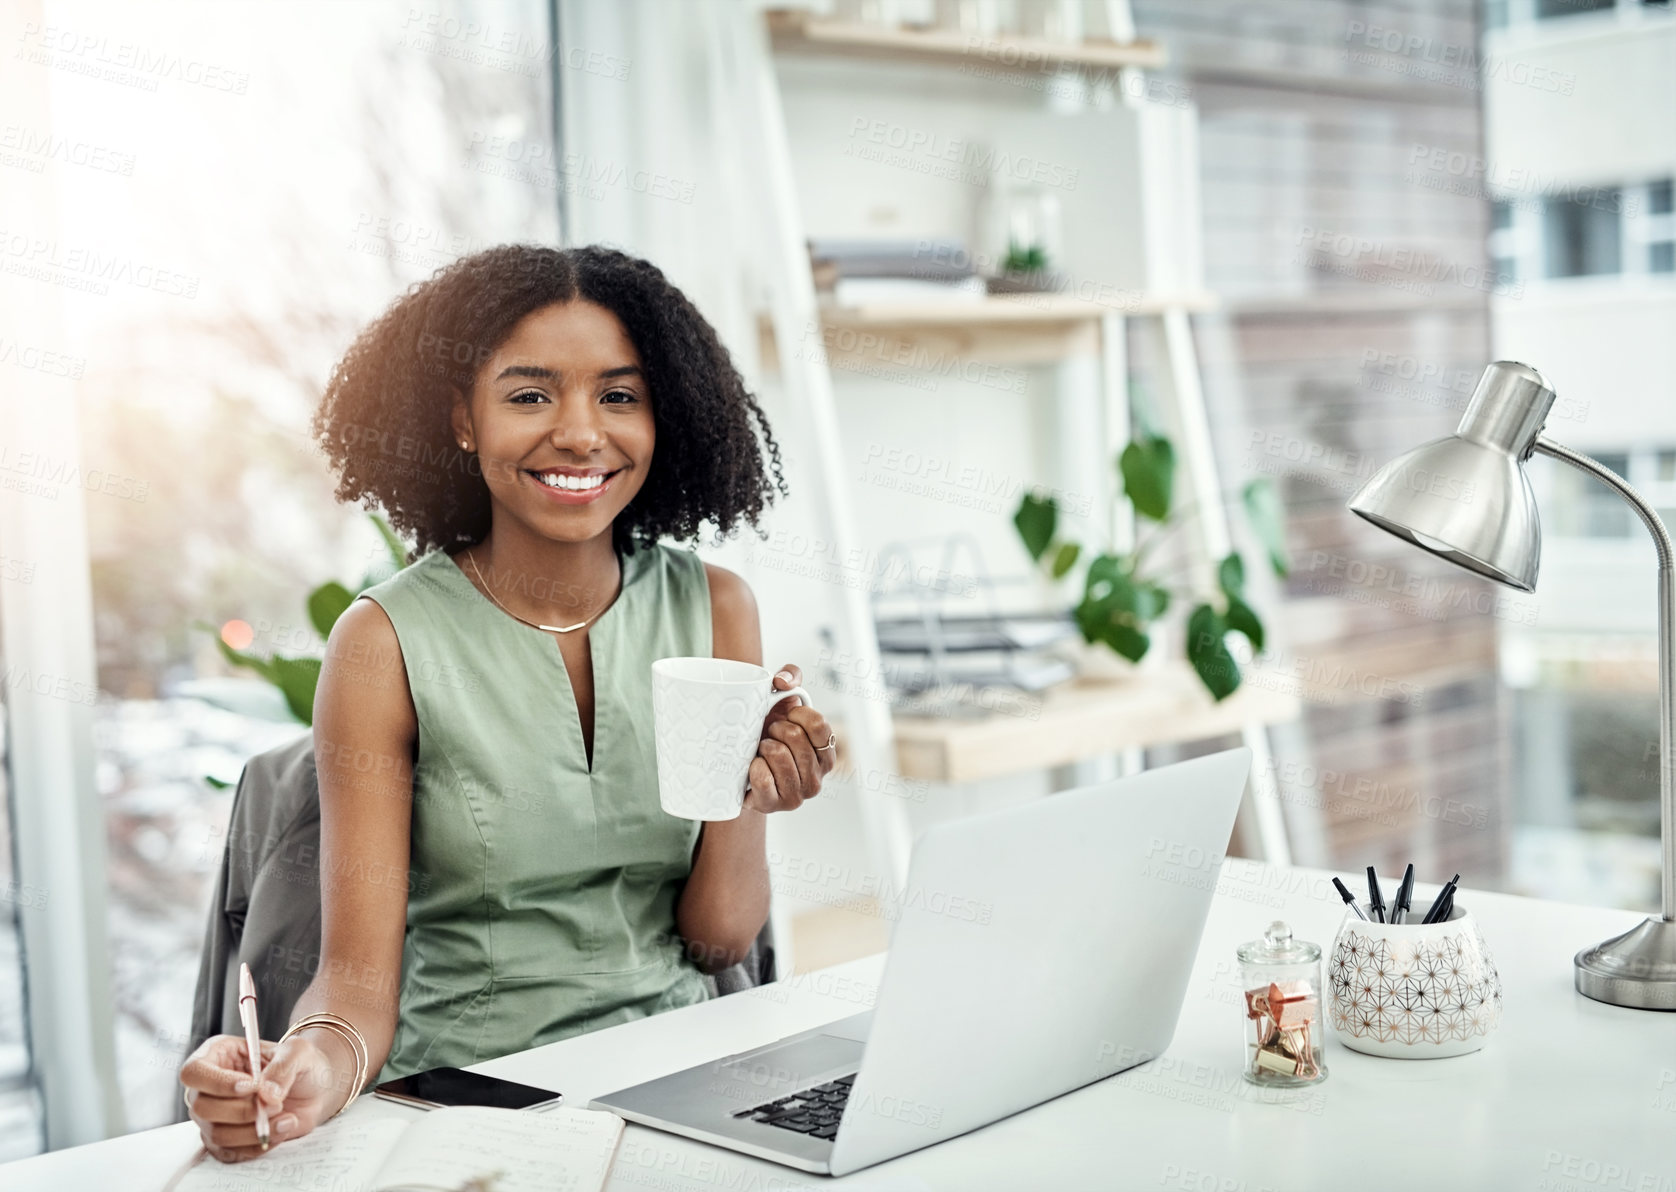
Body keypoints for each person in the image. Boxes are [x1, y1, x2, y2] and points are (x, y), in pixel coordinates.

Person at [178, 244, 836, 1162]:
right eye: (530, 396)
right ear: (461, 419)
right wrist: (297, 1078)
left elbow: (721, 940)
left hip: (679, 1075)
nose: (579, 433)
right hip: (470, 1101)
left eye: (619, 395)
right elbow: (355, 991)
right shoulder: (383, 643)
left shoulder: (717, 608)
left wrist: (755, 796)